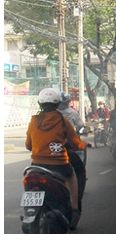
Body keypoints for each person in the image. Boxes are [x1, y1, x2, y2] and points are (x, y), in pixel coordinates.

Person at [25, 88, 90, 229]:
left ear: (40, 103)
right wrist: (84, 145)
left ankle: (28, 209)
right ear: (58, 103)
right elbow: (75, 143)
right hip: (59, 164)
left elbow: (28, 145)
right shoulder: (62, 120)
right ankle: (73, 210)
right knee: (72, 176)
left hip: (36, 165)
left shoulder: (33, 121)